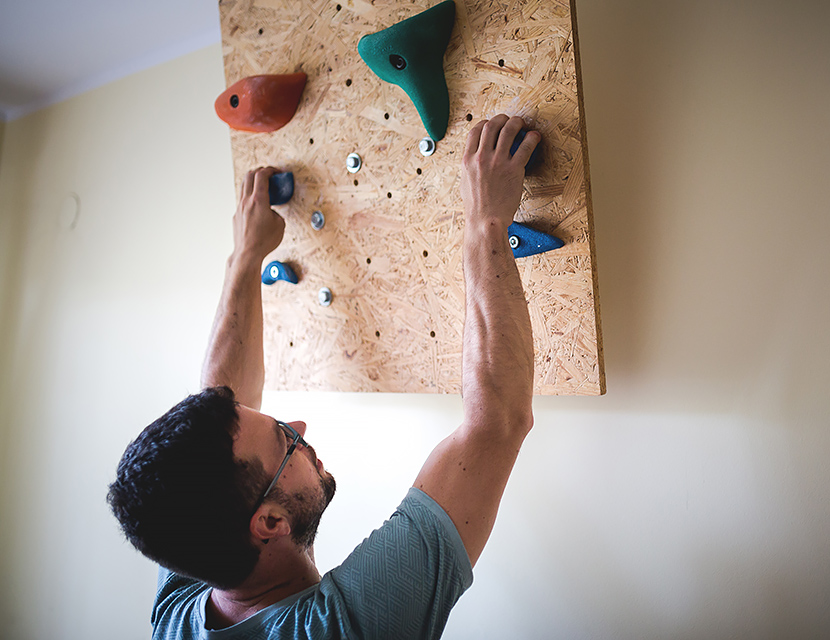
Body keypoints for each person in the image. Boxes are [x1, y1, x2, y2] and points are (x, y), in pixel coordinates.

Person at [107, 114, 541, 639]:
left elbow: (223, 410)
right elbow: (496, 423)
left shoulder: (185, 588)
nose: (300, 428)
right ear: (270, 523)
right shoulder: (343, 627)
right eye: (285, 441)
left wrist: (245, 256)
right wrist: (486, 221)